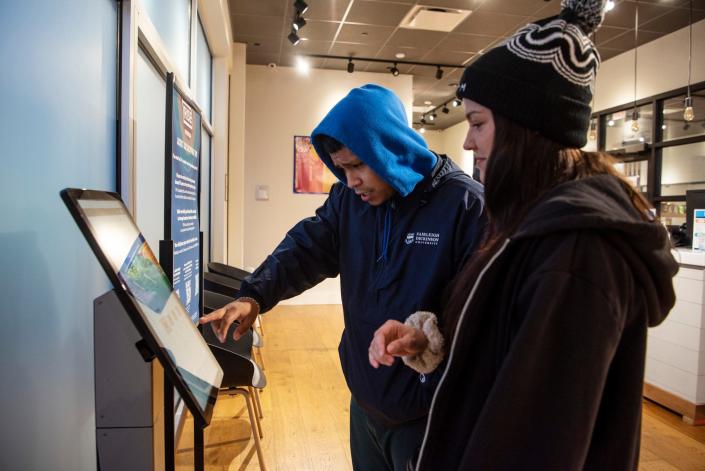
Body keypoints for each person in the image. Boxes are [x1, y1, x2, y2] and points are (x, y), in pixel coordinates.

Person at [368, 1, 678, 469]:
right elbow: (505, 348)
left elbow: (538, 440)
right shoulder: (531, 226)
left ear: (525, 130)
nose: (468, 142)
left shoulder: (575, 253)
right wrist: (427, 339)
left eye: (477, 123)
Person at [200, 84, 486, 470]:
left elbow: (483, 315)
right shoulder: (350, 202)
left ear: (389, 148)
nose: (350, 180)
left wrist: (429, 338)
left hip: (429, 415)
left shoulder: (465, 205)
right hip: (365, 401)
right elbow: (304, 248)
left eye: (357, 165)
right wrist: (254, 295)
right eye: (341, 168)